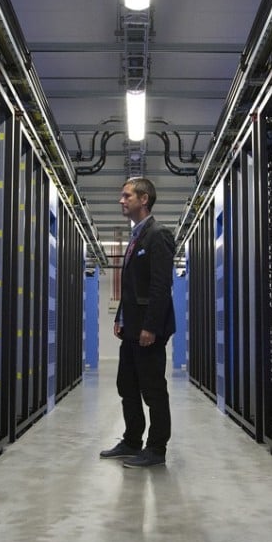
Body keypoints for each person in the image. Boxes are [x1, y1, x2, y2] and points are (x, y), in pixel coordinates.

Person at [99, 177, 176, 467]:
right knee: (126, 386)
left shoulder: (158, 235)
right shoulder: (136, 237)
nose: (121, 200)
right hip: (131, 328)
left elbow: (160, 286)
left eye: (126, 195)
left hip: (147, 331)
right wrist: (121, 317)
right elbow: (133, 287)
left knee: (153, 389)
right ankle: (132, 441)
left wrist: (150, 327)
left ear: (144, 199)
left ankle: (157, 449)